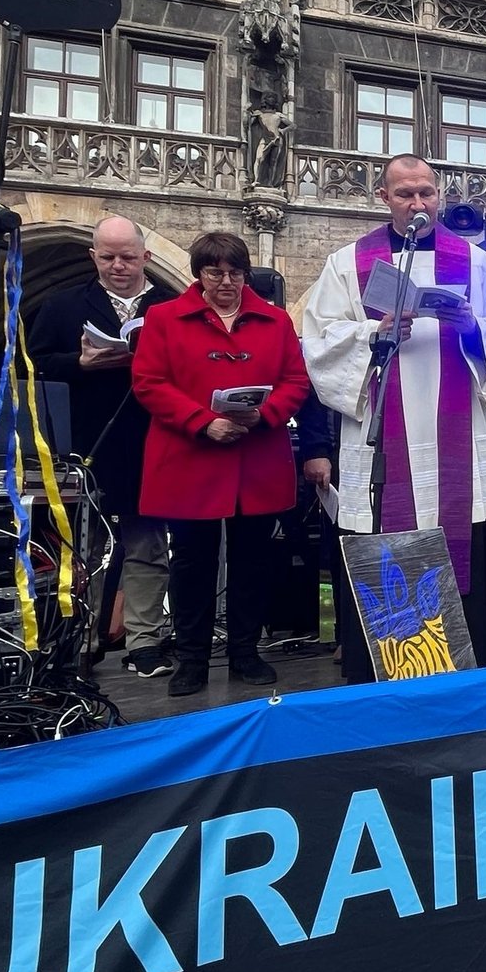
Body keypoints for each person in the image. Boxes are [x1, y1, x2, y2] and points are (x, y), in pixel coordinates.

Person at [300, 153, 486, 674]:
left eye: (426, 192)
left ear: (439, 195)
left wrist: (472, 326)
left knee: (464, 532)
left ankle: (475, 666)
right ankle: (389, 667)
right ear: (384, 198)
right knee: (387, 528)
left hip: (461, 433)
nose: (418, 203)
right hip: (383, 432)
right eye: (405, 194)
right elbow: (318, 341)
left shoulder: (476, 263)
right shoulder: (346, 264)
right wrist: (374, 335)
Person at [133, 232, 311, 696]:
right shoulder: (164, 318)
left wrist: (265, 414)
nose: (226, 281)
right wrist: (202, 421)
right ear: (199, 274)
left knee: (253, 562)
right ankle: (191, 659)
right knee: (192, 563)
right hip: (191, 458)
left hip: (256, 457)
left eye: (235, 272)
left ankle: (245, 652)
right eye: (215, 272)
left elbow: (296, 381)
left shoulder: (274, 321)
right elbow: (149, 383)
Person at [27, 216, 177, 679]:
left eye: (128, 257)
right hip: (86, 442)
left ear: (146, 258)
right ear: (93, 256)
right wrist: (80, 361)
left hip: (152, 440)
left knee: (148, 543)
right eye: (107, 257)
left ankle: (145, 639)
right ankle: (81, 637)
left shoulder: (171, 306)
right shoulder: (62, 305)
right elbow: (31, 366)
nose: (117, 265)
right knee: (80, 549)